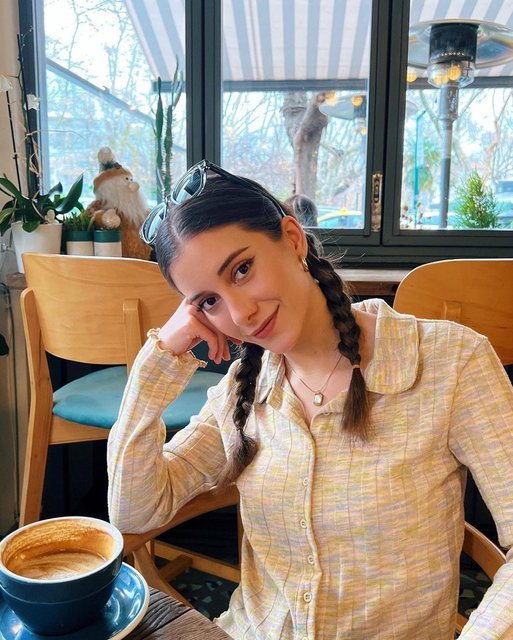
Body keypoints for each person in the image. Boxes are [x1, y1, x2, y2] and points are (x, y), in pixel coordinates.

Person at [107, 160, 513, 640]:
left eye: (242, 269)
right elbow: (135, 511)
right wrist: (158, 359)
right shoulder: (243, 389)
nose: (241, 313)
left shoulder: (450, 362)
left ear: (293, 239)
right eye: (209, 301)